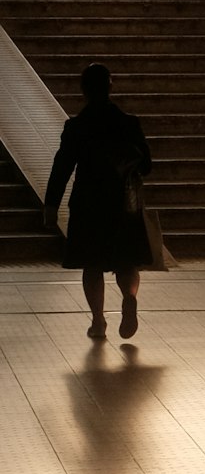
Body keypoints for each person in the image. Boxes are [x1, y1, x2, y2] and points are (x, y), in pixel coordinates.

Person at [43, 63, 153, 340]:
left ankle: (98, 321)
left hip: (88, 205)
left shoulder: (77, 127)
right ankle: (129, 297)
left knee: (92, 265)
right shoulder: (129, 123)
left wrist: (51, 204)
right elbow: (147, 164)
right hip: (122, 205)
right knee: (126, 261)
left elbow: (62, 167)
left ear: (84, 90)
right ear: (110, 87)